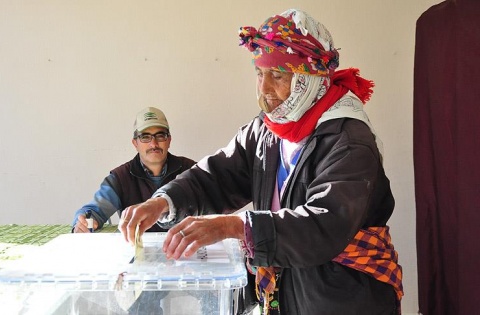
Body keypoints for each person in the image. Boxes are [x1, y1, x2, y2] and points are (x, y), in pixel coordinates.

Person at [119, 8, 404, 315]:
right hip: (291, 288)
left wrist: (235, 226)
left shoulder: (347, 139)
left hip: (342, 296)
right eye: (259, 73)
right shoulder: (269, 129)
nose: (264, 89)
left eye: (278, 75)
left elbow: (326, 224)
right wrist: (162, 202)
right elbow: (218, 175)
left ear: (309, 78)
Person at [71, 106, 196, 233]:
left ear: (169, 140)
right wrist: (83, 223)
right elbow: (94, 210)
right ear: (135, 143)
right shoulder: (120, 178)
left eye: (160, 135)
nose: (153, 144)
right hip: (135, 250)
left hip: (186, 249)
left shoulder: (192, 171)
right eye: (145, 137)